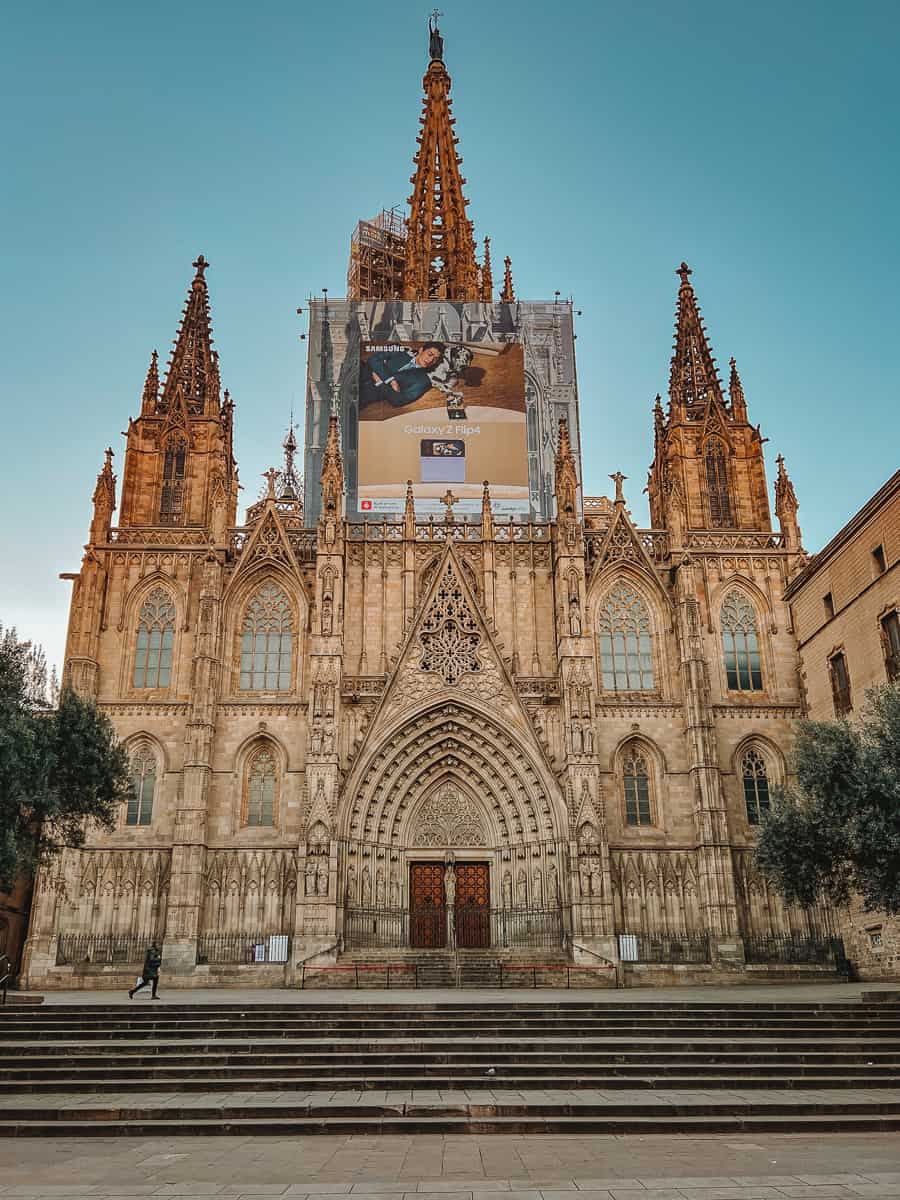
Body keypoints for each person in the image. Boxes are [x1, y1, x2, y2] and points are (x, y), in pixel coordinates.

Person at [360, 343, 444, 410]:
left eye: (435, 359)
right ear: (421, 350)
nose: (430, 360)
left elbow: (398, 400)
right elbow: (373, 359)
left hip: (365, 395)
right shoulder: (397, 349)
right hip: (359, 371)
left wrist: (380, 381)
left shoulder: (423, 382)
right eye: (430, 354)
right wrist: (391, 381)